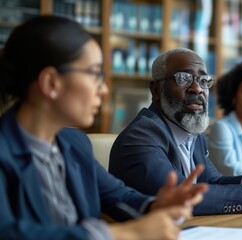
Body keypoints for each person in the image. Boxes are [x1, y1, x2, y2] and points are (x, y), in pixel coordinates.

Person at [0, 16, 208, 240]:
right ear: (51, 82)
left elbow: (119, 196)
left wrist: (156, 205)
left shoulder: (74, 142)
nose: (104, 90)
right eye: (94, 74)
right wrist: (122, 234)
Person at [109, 48, 242, 215]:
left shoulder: (194, 132)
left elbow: (212, 181)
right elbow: (180, 195)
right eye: (183, 78)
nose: (197, 89)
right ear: (156, 90)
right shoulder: (143, 134)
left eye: (203, 80)